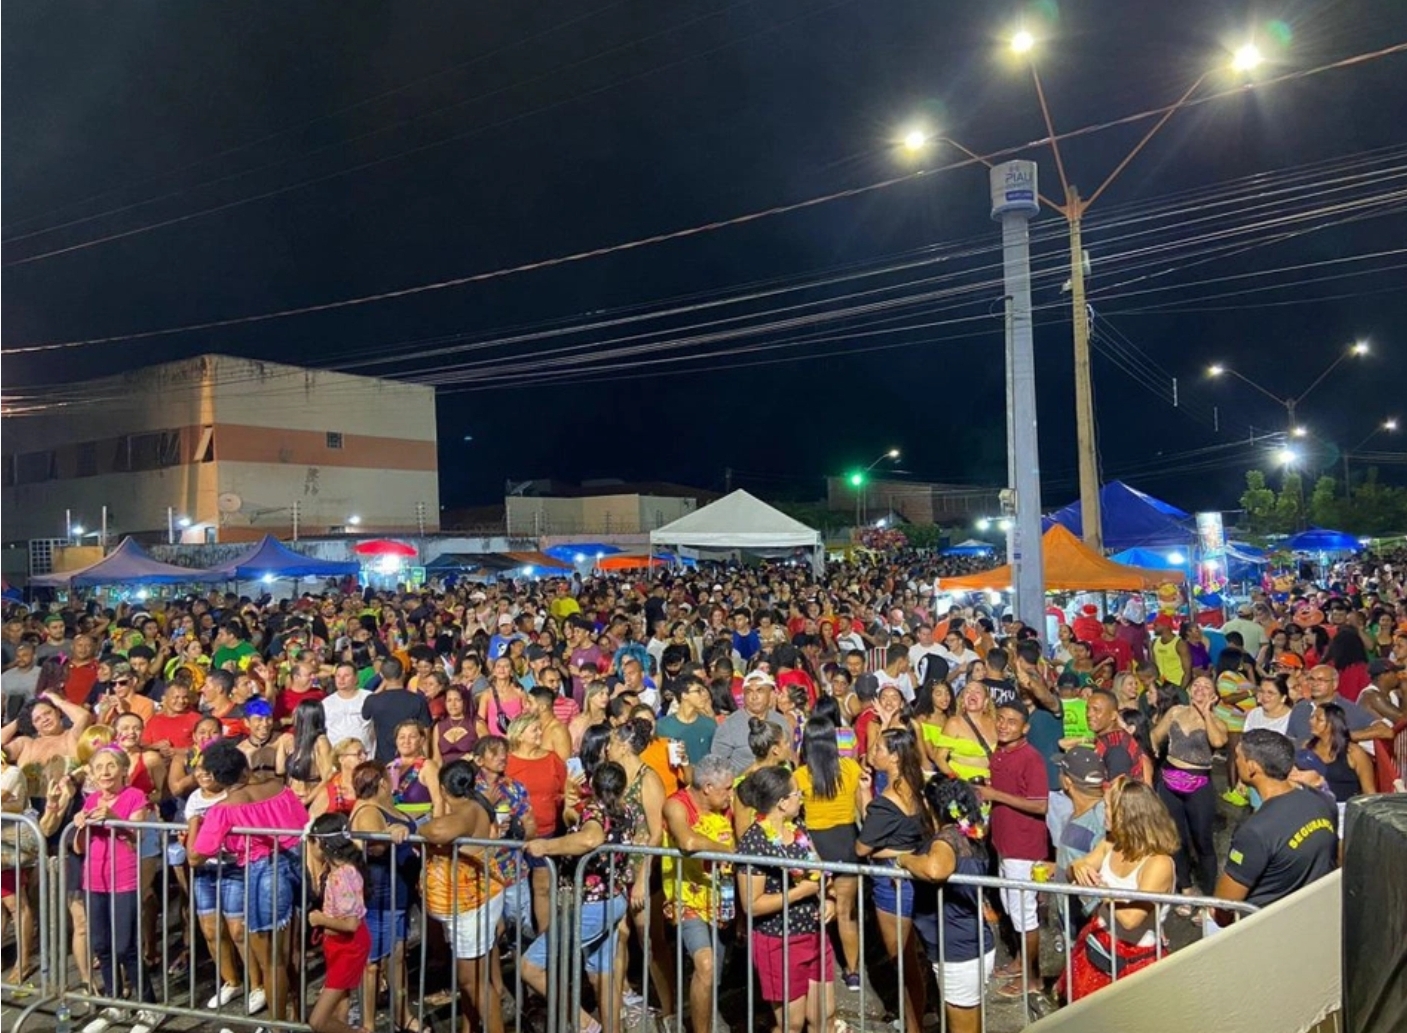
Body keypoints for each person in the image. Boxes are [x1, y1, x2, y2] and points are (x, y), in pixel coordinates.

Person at [189, 740, 310, 1027]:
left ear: (218, 779)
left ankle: (277, 1025)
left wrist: (195, 821)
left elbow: (195, 856)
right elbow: (302, 822)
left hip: (263, 874)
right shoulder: (280, 788)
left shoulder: (223, 809)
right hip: (294, 865)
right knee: (289, 953)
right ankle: (295, 1015)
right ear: (245, 766)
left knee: (271, 960)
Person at [521, 761, 645, 1033]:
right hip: (612, 901)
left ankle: (586, 1024)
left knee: (529, 967)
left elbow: (590, 839)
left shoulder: (596, 812)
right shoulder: (628, 810)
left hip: (591, 905)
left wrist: (547, 845)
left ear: (594, 785)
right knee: (603, 976)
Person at [735, 765, 837, 1033]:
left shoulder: (799, 828)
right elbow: (751, 904)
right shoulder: (754, 843)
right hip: (779, 940)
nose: (801, 796)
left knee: (824, 1017)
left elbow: (818, 869)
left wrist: (828, 897)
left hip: (814, 933)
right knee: (791, 1024)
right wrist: (799, 893)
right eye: (797, 793)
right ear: (781, 803)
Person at [895, 777, 997, 1033]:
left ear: (932, 807)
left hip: (958, 949)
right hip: (972, 941)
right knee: (970, 1019)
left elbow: (935, 869)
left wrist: (905, 860)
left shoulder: (947, 839)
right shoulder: (968, 832)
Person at [72, 745, 162, 1033]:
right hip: (94, 878)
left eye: (111, 766)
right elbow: (78, 846)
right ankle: (115, 1003)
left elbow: (137, 835)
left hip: (124, 877)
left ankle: (149, 1007)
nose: (105, 772)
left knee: (126, 946)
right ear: (93, 775)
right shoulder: (91, 800)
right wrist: (81, 824)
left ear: (124, 770)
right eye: (99, 768)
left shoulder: (135, 797)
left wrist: (113, 816)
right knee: (101, 945)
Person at [1063, 777, 1177, 1000]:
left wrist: (1101, 889)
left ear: (1126, 814)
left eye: (1107, 806)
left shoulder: (1158, 863)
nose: (1102, 811)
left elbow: (1132, 918)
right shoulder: (1109, 844)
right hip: (1100, 946)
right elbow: (1073, 873)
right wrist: (1077, 866)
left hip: (1137, 960)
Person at [1213, 729, 1338, 924]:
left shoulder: (1255, 832)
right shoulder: (1321, 801)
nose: (1235, 761)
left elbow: (1224, 907)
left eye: (1238, 757)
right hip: (1314, 917)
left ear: (1252, 767)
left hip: (1268, 929)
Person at [856, 726, 934, 1033]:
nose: (872, 753)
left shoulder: (886, 800)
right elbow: (882, 830)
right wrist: (864, 794)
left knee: (900, 962)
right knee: (913, 959)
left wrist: (888, 850)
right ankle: (920, 1013)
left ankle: (912, 1025)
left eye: (878, 749)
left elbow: (863, 845)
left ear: (895, 757)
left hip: (891, 886)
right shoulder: (914, 785)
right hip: (913, 878)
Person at [419, 760, 505, 1033]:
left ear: (443, 788)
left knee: (473, 982)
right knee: (473, 979)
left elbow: (437, 831)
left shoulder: (468, 811)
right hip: (469, 903)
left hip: (471, 905)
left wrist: (418, 828)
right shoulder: (471, 806)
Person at [660, 753, 737, 1033]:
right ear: (707, 788)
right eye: (727, 789)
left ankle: (709, 1014)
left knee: (711, 973)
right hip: (687, 897)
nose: (732, 794)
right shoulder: (676, 805)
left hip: (721, 896)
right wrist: (728, 851)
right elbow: (688, 840)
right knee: (704, 964)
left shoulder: (726, 807)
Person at [979, 701, 1049, 999]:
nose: (1004, 725)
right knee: (1011, 908)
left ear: (1025, 728)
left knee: (1024, 913)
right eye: (1001, 719)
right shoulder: (999, 752)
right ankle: (1021, 961)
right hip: (1004, 844)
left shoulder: (1031, 758)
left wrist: (995, 794)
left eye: (1012, 721)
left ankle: (1034, 978)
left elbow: (1040, 804)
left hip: (1024, 847)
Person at [794, 716, 868, 990]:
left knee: (813, 911)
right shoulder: (850, 768)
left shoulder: (800, 775)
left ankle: (813, 968)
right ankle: (853, 972)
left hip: (815, 848)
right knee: (846, 913)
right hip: (847, 844)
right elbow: (863, 808)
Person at [348, 761, 418, 1033]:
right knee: (372, 963)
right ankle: (368, 1025)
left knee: (397, 957)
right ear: (381, 782)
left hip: (397, 894)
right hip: (380, 896)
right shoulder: (367, 809)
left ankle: (402, 1014)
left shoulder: (387, 805)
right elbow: (370, 846)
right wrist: (389, 834)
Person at [1150, 675, 1226, 906]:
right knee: (1175, 838)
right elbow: (1155, 735)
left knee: (1202, 841)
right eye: (1196, 685)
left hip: (1198, 785)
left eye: (1206, 687)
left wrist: (1206, 713)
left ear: (1214, 696)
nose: (1200, 689)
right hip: (1169, 781)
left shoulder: (1217, 721)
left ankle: (1209, 894)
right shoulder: (1175, 711)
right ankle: (1185, 887)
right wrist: (1154, 756)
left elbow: (1218, 741)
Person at [303, 813, 372, 1033]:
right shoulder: (339, 870)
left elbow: (351, 924)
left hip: (348, 948)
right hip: (338, 946)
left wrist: (321, 919)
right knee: (340, 1009)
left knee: (318, 1021)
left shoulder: (341, 876)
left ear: (321, 843)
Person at [505, 713, 567, 933]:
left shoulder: (552, 759)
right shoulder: (508, 761)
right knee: (512, 890)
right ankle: (515, 939)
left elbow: (564, 790)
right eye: (534, 730)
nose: (540, 734)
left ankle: (545, 939)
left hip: (546, 832)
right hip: (513, 837)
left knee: (543, 887)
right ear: (519, 734)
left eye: (540, 729)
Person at [711, 671, 790, 777]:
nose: (754, 697)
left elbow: (787, 756)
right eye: (749, 692)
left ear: (771, 695)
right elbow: (717, 766)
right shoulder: (729, 726)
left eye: (760, 691)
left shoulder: (781, 721)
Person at [1305, 703, 1375, 818]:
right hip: (1313, 808)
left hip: (1345, 811)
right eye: (1312, 717)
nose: (1312, 722)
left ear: (1333, 724)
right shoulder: (1308, 748)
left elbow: (1369, 791)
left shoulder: (1354, 752)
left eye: (1319, 719)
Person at [362, 659, 431, 766]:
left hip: (383, 760)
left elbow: (364, 715)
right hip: (412, 759)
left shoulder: (372, 700)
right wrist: (425, 760)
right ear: (403, 672)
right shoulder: (418, 700)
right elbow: (425, 733)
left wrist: (382, 685)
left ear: (383, 675)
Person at [933, 681, 997, 783]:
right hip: (963, 785)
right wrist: (957, 781)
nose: (972, 694)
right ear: (963, 700)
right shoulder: (954, 723)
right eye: (968, 691)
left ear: (986, 701)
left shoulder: (995, 723)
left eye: (977, 692)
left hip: (990, 785)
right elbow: (939, 758)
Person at [654, 673, 717, 766]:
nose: (704, 695)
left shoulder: (710, 725)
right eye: (698, 691)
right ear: (684, 695)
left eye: (704, 690)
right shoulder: (663, 726)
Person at [322, 663, 373, 756]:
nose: (341, 679)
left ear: (356, 678)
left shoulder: (369, 698)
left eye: (346, 675)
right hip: (337, 757)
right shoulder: (326, 703)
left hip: (365, 755)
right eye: (338, 676)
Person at [432, 684, 478, 766]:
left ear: (465, 701)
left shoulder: (475, 723)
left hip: (469, 771)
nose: (453, 704)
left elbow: (486, 751)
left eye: (457, 700)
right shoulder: (439, 726)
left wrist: (471, 756)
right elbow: (436, 758)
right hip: (446, 773)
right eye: (449, 700)